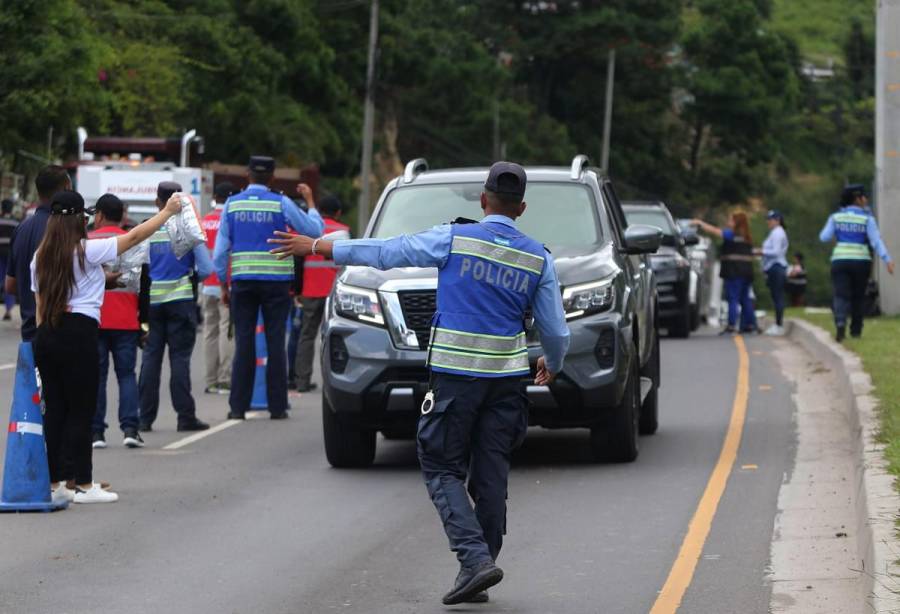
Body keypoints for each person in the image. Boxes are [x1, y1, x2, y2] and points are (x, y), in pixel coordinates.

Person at [269, 161, 570, 605]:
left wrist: (318, 246)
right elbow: (557, 332)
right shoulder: (537, 257)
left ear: (483, 201)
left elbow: (388, 252)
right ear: (521, 208)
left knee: (440, 464)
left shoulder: (455, 238)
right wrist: (553, 363)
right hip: (506, 381)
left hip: (455, 377)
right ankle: (481, 562)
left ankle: (474, 560)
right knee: (491, 473)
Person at [32, 189, 183, 505]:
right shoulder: (86, 250)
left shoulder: (41, 256)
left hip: (47, 332)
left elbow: (40, 305)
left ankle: (56, 482)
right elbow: (135, 236)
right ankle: (84, 485)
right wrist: (167, 211)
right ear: (78, 219)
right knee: (81, 408)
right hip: (79, 332)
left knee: (55, 409)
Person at [212, 156, 324, 420]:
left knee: (244, 344)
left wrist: (223, 285)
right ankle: (277, 407)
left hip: (243, 284)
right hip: (276, 284)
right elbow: (314, 230)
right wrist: (310, 203)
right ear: (272, 177)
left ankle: (237, 408)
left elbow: (219, 253)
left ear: (247, 175)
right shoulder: (281, 203)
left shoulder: (232, 204)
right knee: (276, 344)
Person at [138, 182, 214, 432]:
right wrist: (188, 277)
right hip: (181, 303)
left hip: (154, 304)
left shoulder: (147, 229)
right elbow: (205, 269)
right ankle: (185, 416)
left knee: (151, 359)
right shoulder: (189, 230)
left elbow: (138, 269)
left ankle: (144, 418)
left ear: (157, 202)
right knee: (179, 360)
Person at [88, 194, 148, 450]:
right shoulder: (131, 242)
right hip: (126, 321)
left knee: (97, 377)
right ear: (122, 216)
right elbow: (145, 286)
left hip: (95, 320)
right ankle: (131, 429)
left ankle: (96, 433)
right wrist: (144, 322)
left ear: (99, 214)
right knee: (126, 375)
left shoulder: (87, 241)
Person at [819, 184, 894, 341]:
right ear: (857, 199)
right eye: (864, 196)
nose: (866, 199)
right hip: (861, 261)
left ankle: (840, 323)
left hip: (840, 260)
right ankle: (855, 330)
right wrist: (887, 259)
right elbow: (876, 242)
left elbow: (824, 237)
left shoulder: (835, 217)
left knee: (840, 294)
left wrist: (839, 234)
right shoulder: (867, 219)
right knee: (858, 296)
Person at [6, 166, 71, 342]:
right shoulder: (66, 229)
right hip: (61, 334)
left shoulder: (21, 229)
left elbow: (10, 286)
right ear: (66, 188)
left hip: (29, 333)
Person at [292, 194, 350, 392]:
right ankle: (334, 381)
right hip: (333, 293)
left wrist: (297, 289)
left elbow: (298, 262)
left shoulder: (309, 229)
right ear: (338, 213)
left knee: (307, 335)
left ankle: (302, 381)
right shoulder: (343, 231)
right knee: (332, 337)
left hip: (309, 290)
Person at [694, 212, 757, 334]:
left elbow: (715, 231)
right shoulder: (747, 237)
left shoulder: (731, 235)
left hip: (734, 272)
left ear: (736, 223)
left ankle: (732, 325)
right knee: (745, 299)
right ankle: (750, 325)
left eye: (731, 220)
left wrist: (700, 223)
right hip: (747, 272)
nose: (728, 222)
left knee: (732, 298)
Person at [200, 182, 236, 394]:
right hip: (226, 285)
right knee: (227, 332)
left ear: (214, 197)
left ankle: (210, 380)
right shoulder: (230, 220)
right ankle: (225, 378)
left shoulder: (204, 221)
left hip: (207, 285)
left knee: (209, 332)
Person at [759, 210, 789, 336]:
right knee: (776, 296)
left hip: (777, 266)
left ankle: (779, 324)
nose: (768, 222)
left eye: (770, 220)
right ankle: (778, 324)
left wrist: (761, 251)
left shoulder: (778, 233)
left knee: (778, 296)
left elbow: (776, 252)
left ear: (777, 220)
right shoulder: (774, 233)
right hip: (773, 267)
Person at [0, 198, 20, 320]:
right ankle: (8, 309)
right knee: (9, 280)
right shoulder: (16, 222)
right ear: (11, 208)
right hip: (11, 256)